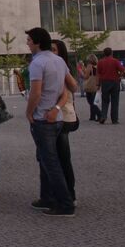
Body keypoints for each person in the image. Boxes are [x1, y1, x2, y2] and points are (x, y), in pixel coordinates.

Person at [25, 27, 75, 217]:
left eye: (29, 40)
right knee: (46, 160)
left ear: (37, 42)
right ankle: (46, 198)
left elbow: (36, 92)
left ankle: (65, 204)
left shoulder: (38, 63)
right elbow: (71, 86)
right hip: (57, 118)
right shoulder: (59, 60)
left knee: (50, 162)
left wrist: (29, 112)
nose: (27, 44)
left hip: (42, 118)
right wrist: (57, 107)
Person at [48, 39, 80, 205]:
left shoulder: (61, 67)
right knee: (58, 157)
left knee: (62, 158)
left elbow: (73, 87)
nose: (51, 53)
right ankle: (61, 193)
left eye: (54, 49)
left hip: (63, 116)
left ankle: (68, 195)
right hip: (60, 116)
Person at [96, 47, 125, 124]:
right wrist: (119, 76)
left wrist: (98, 84)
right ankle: (114, 119)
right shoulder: (115, 61)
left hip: (105, 83)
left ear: (104, 53)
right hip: (115, 82)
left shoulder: (100, 62)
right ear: (111, 53)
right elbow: (123, 70)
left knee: (105, 101)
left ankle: (103, 116)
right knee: (115, 101)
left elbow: (98, 74)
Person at [84, 54, 101, 121]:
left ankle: (99, 114)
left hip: (90, 86)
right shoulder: (98, 66)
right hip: (96, 85)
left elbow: (86, 76)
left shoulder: (89, 66)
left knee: (91, 101)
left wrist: (82, 72)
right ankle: (92, 116)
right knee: (93, 101)